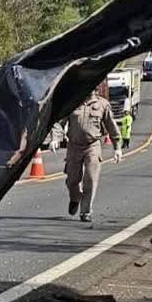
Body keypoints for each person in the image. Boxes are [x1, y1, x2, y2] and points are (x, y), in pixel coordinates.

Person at [65, 91, 121, 222]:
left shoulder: (102, 104)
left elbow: (111, 125)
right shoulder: (72, 102)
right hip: (74, 146)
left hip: (92, 146)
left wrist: (117, 147)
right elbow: (59, 122)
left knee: (90, 178)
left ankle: (86, 211)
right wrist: (55, 138)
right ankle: (75, 198)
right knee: (72, 180)